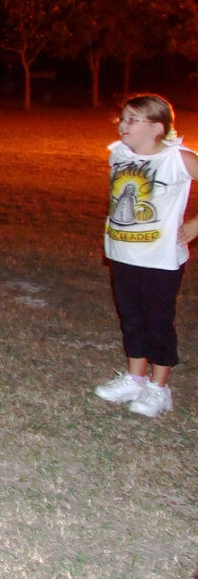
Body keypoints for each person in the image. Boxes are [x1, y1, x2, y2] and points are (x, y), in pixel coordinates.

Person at [95, 94, 198, 417]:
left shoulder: (177, 159)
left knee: (157, 322)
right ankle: (135, 379)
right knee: (131, 319)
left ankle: (159, 388)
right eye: (122, 118)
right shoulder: (119, 154)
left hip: (160, 259)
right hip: (124, 254)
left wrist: (196, 224)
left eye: (132, 120)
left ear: (156, 128)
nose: (122, 125)